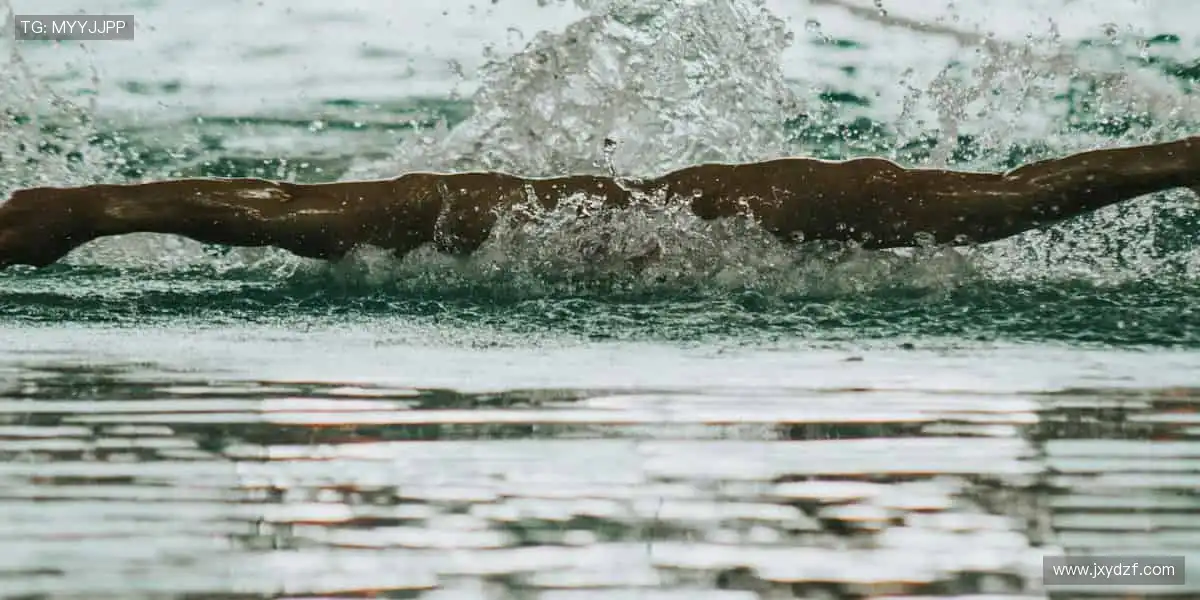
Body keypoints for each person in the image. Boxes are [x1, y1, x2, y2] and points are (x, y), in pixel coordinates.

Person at [0, 136, 1197, 269]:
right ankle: (77, 209)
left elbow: (1034, 192)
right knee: (318, 220)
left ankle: (78, 209)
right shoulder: (838, 207)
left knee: (321, 217)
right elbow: (1035, 192)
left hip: (499, 209)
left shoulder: (835, 207)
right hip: (494, 210)